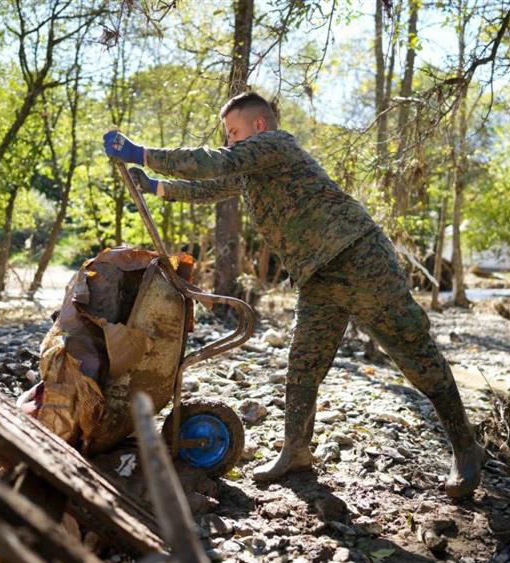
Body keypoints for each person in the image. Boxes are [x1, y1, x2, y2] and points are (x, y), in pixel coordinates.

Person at [103, 92, 484, 498]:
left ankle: (465, 447)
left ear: (259, 126)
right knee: (303, 363)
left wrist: (140, 152)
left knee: (413, 349)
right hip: (317, 276)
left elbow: (217, 161)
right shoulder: (253, 169)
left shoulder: (276, 145)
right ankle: (296, 451)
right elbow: (210, 187)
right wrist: (155, 186)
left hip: (358, 257)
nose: (230, 140)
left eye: (234, 131)